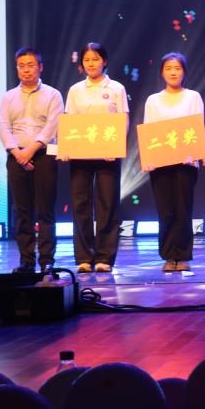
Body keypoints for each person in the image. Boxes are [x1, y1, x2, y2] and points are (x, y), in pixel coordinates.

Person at [61, 42, 128, 273]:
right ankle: (83, 256)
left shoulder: (117, 88)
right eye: (87, 60)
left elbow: (123, 120)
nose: (91, 64)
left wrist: (115, 147)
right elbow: (69, 122)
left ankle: (104, 257)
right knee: (80, 204)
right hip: (81, 155)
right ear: (82, 63)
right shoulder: (75, 90)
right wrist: (67, 147)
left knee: (107, 204)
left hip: (108, 154)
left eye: (95, 59)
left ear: (104, 61)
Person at [0, 47, 63, 274]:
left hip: (44, 156)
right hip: (16, 157)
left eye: (31, 65)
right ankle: (26, 260)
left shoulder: (53, 95)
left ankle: (46, 260)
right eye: (21, 66)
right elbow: (4, 127)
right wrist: (18, 153)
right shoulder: (8, 97)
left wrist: (31, 150)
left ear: (40, 67)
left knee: (45, 210)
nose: (26, 70)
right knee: (22, 211)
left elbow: (52, 126)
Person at [144, 52, 205, 272]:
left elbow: (198, 126)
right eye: (168, 68)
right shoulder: (153, 100)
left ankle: (183, 256)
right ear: (162, 72)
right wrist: (148, 159)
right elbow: (149, 130)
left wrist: (201, 153)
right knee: (165, 211)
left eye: (177, 68)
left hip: (186, 162)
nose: (173, 72)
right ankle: (168, 256)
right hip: (160, 163)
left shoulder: (193, 97)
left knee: (182, 210)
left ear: (184, 72)